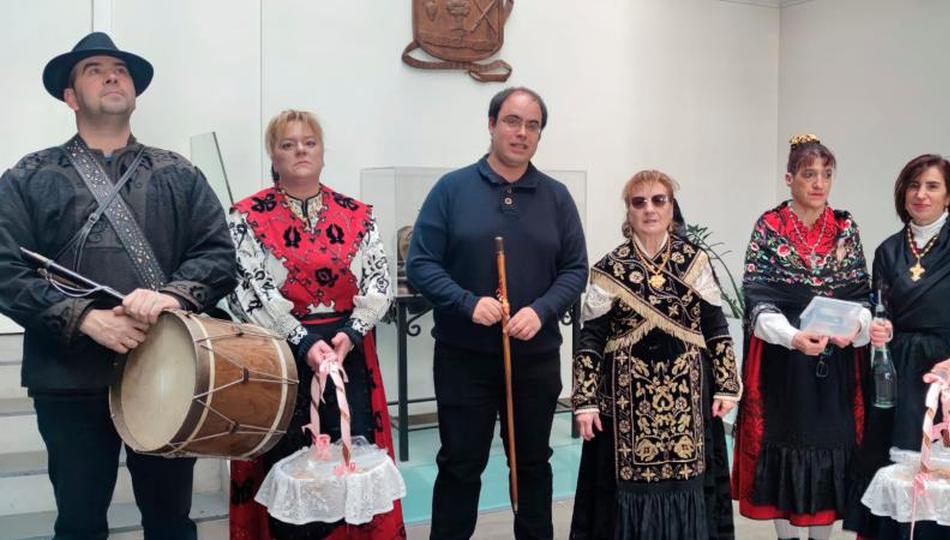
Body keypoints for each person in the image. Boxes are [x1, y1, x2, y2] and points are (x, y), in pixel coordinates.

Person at [0, 32, 236, 539]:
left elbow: (217, 254)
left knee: (171, 521)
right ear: (70, 96)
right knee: (80, 522)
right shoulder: (28, 176)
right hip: (68, 377)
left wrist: (172, 295)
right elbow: (5, 269)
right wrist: (84, 318)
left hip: (170, 368)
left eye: (120, 70)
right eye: (94, 69)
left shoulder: (181, 173)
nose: (112, 76)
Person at [407, 86, 588, 539]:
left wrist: (542, 310)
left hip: (534, 357)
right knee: (460, 464)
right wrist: (467, 303)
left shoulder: (557, 197)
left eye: (532, 125)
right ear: (492, 125)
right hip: (463, 358)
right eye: (512, 121)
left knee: (531, 463)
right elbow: (421, 264)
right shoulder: (452, 190)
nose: (521, 133)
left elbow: (575, 268)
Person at [226, 109, 406, 539]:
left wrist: (352, 333)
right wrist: (302, 339)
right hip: (280, 355)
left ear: (323, 152)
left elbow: (380, 280)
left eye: (309, 142)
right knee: (289, 466)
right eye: (288, 144)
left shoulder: (357, 214)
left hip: (348, 354)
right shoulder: (246, 216)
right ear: (274, 154)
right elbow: (246, 287)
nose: (300, 151)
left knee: (352, 464)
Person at [843, 154, 950, 540]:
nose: (921, 194)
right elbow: (878, 309)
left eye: (932, 186)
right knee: (897, 472)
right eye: (913, 186)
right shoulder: (887, 250)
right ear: (902, 194)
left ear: (949, 195)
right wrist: (878, 328)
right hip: (899, 379)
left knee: (947, 477)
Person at [568, 170, 741, 539]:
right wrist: (584, 401)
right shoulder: (610, 268)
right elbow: (590, 340)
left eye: (658, 200)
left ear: (671, 207)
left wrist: (726, 385)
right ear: (628, 211)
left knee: (690, 485)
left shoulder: (694, 261)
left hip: (689, 402)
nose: (649, 209)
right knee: (625, 491)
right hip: (624, 403)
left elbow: (716, 326)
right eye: (639, 202)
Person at [731, 134, 876, 540]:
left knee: (832, 446)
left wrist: (857, 328)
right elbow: (757, 295)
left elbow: (859, 292)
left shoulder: (845, 227)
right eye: (809, 175)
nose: (819, 184)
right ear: (789, 178)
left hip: (836, 361)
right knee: (785, 444)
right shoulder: (770, 226)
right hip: (785, 359)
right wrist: (792, 337)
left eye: (827, 175)